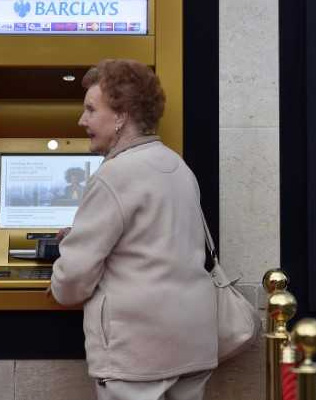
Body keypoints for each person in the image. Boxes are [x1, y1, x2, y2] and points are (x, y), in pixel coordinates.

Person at [50, 59, 218, 400]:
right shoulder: (177, 166)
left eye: (90, 109)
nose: (82, 120)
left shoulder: (114, 175)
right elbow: (156, 242)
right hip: (191, 345)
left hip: (138, 355)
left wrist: (60, 268)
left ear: (121, 115)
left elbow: (71, 283)